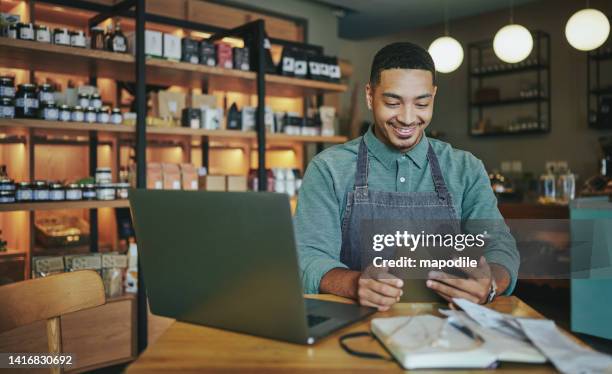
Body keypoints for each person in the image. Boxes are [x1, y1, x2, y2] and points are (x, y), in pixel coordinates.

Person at [294, 42, 519, 311]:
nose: (407, 118)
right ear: (370, 95)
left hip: (446, 331)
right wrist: (354, 283)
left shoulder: (466, 169)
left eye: (422, 103)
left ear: (433, 96)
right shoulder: (328, 169)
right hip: (353, 328)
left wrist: (489, 284)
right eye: (392, 102)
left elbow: (499, 248)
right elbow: (307, 257)